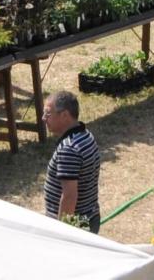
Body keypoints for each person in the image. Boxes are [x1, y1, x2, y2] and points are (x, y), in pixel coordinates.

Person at [42, 90, 101, 231]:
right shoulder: (85, 135)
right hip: (90, 216)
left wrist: (62, 231)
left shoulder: (69, 148)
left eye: (48, 114)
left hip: (76, 225)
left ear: (64, 115)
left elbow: (69, 196)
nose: (43, 118)